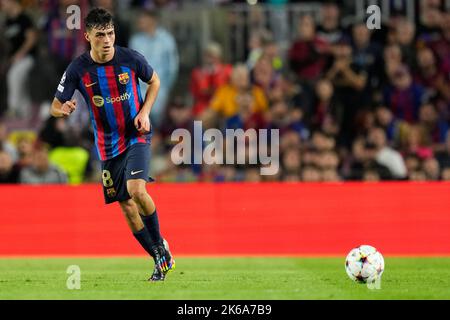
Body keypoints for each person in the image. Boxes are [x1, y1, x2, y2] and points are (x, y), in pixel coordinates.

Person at [49, 8, 174, 281]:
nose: (107, 40)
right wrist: (64, 109)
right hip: (107, 146)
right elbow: (54, 106)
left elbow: (154, 81)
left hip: (136, 135)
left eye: (110, 33)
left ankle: (161, 251)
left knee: (136, 190)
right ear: (88, 36)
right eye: (100, 35)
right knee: (127, 207)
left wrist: (145, 112)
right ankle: (158, 254)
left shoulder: (130, 59)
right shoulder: (78, 69)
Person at [129, 9, 179, 128]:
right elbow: (130, 65)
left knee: (157, 121)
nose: (140, 21)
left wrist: (166, 87)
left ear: (153, 20)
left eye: (143, 18)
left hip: (160, 88)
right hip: (139, 88)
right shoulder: (135, 40)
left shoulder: (167, 40)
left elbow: (173, 66)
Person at [2, 0, 38, 118]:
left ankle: (14, 109)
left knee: (14, 75)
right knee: (18, 82)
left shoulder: (24, 18)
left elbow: (32, 39)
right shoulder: (8, 21)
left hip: (28, 57)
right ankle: (24, 113)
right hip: (14, 59)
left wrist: (19, 54)